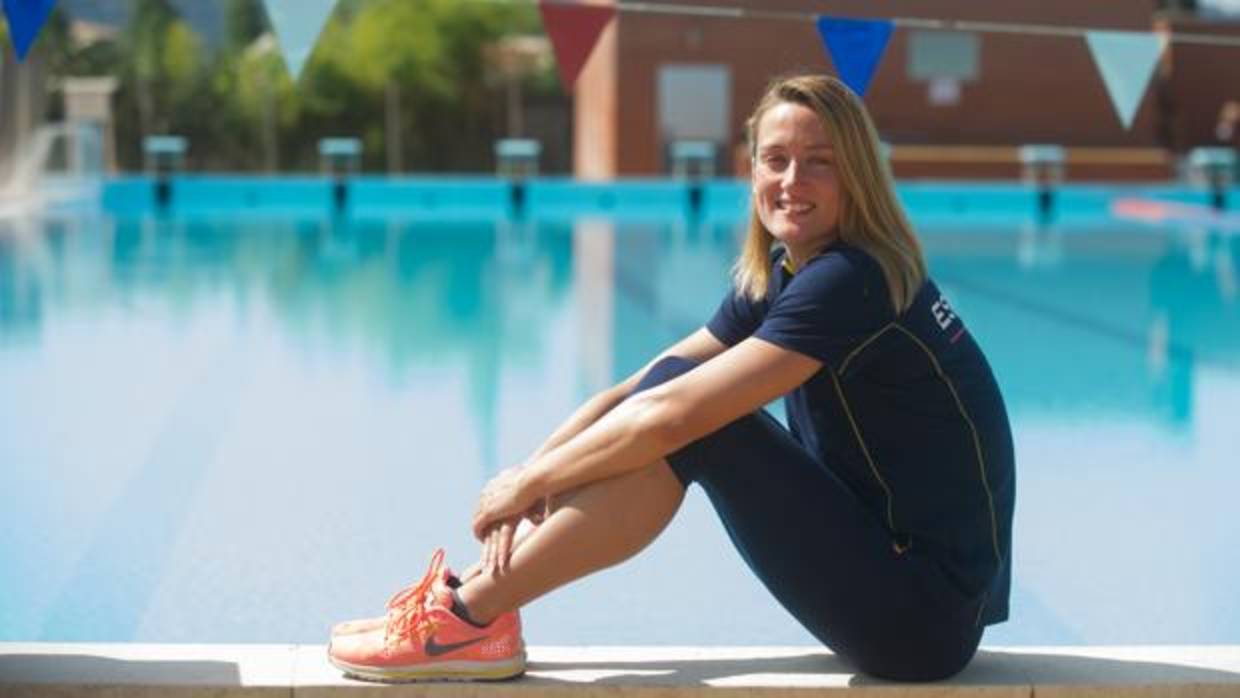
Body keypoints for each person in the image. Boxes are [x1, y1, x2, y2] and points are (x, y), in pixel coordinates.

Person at [327, 73, 1016, 684]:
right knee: (680, 388)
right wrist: (529, 478)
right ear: (751, 173)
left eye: (819, 164)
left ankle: (468, 623)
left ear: (857, 176)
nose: (791, 181)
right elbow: (643, 387)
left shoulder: (850, 280)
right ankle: (475, 604)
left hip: (922, 622)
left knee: (701, 427)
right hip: (909, 592)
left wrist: (532, 485)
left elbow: (669, 419)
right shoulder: (789, 270)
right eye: (775, 160)